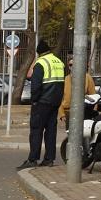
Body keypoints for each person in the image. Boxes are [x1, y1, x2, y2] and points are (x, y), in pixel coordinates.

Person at [17, 40, 64, 169]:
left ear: (39, 53)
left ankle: (32, 159)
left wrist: (34, 100)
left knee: (36, 130)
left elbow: (36, 85)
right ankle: (49, 159)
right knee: (51, 131)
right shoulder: (58, 62)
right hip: (55, 102)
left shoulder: (40, 63)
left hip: (42, 102)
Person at [60, 57, 98, 124]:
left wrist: (94, 111)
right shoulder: (65, 80)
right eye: (71, 65)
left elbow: (93, 96)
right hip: (68, 112)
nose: (73, 66)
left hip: (84, 112)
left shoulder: (87, 77)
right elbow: (60, 99)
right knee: (70, 133)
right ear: (68, 67)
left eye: (75, 64)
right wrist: (62, 114)